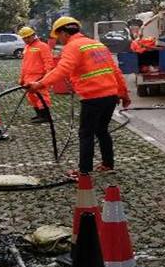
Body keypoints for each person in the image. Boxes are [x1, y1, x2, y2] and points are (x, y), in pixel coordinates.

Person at [26, 17, 131, 180]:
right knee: (102, 131)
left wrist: (39, 84)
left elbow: (61, 70)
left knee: (86, 134)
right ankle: (108, 165)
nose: (59, 39)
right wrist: (124, 94)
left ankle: (84, 172)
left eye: (58, 35)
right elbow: (115, 71)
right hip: (110, 96)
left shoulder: (72, 46)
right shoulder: (97, 44)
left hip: (92, 97)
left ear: (63, 33)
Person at [17, 26, 55, 123]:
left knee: (42, 97)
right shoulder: (27, 48)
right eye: (24, 38)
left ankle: (46, 116)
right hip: (28, 77)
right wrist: (21, 79)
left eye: (28, 37)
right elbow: (25, 64)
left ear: (33, 35)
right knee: (32, 97)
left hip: (39, 77)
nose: (26, 40)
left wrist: (46, 77)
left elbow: (48, 62)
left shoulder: (42, 46)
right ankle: (39, 115)